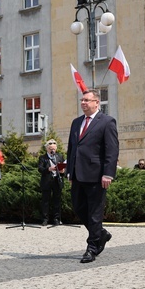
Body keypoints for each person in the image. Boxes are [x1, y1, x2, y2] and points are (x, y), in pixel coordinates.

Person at [66, 89, 119, 263]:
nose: (83, 103)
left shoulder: (107, 122)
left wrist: (108, 174)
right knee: (79, 207)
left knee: (95, 213)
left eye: (87, 100)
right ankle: (101, 234)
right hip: (78, 174)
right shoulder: (76, 122)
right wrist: (69, 171)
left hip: (97, 175)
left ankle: (92, 248)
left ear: (97, 102)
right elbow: (72, 148)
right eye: (82, 100)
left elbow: (112, 150)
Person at [38, 139, 65, 226]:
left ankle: (56, 219)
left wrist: (62, 171)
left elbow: (64, 168)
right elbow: (40, 169)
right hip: (47, 181)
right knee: (45, 201)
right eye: (50, 149)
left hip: (57, 180)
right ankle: (45, 219)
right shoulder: (42, 158)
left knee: (57, 200)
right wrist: (48, 169)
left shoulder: (59, 156)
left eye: (53, 149)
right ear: (47, 149)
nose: (52, 150)